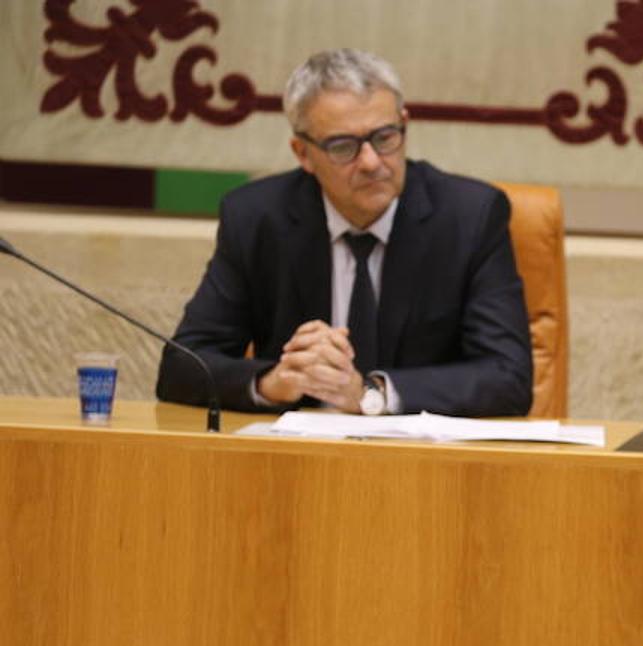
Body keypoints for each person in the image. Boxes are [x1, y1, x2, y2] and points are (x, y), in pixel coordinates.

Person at [156, 49, 533, 417]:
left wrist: (371, 393)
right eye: (343, 147)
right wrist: (274, 382)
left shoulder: (470, 217)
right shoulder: (257, 218)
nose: (371, 162)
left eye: (385, 138)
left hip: (427, 464)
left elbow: (508, 377)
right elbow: (182, 366)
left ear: (405, 123)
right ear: (302, 153)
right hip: (299, 460)